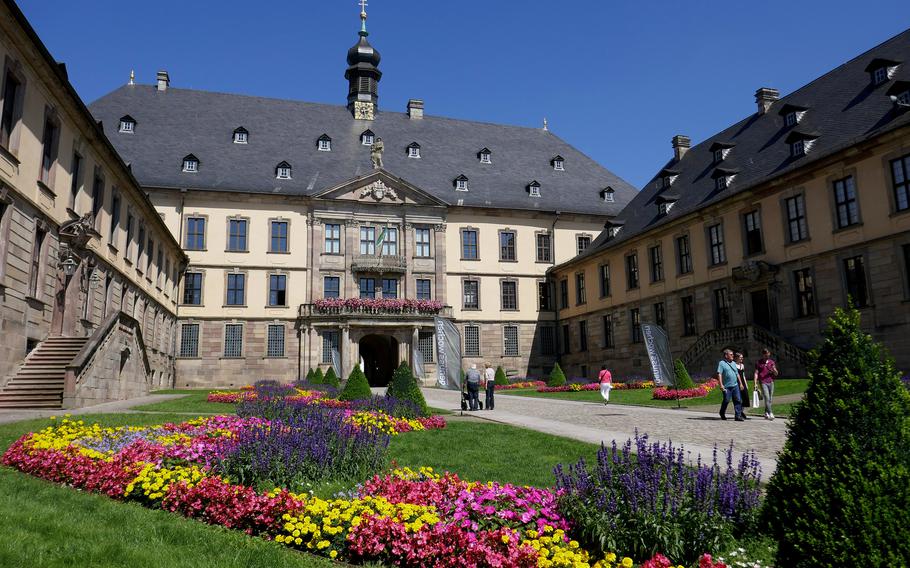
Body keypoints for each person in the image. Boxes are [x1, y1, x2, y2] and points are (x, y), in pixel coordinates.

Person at [716, 348, 744, 421]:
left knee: (738, 400)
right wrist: (721, 385)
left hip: (735, 385)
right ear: (726, 355)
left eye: (733, 354)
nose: (733, 356)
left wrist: (740, 383)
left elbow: (737, 374)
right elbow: (719, 374)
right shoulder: (721, 363)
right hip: (726, 387)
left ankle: (738, 416)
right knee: (726, 400)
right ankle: (722, 413)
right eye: (731, 355)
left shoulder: (734, 363)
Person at [753, 348, 779, 420]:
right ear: (763, 355)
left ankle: (766, 413)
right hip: (763, 382)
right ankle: (770, 413)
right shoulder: (759, 363)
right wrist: (755, 383)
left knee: (770, 399)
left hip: (771, 382)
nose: (767, 356)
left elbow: (776, 374)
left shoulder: (771, 362)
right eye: (765, 354)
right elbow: (756, 373)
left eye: (768, 354)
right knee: (767, 397)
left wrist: (774, 370)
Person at [735, 352, 750, 419]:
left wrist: (746, 384)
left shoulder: (742, 365)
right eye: (740, 357)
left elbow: (743, 375)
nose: (742, 358)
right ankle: (739, 412)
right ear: (737, 358)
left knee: (745, 397)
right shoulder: (734, 365)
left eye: (742, 357)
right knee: (739, 398)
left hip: (743, 382)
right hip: (737, 383)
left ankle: (741, 411)